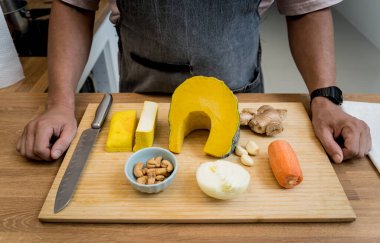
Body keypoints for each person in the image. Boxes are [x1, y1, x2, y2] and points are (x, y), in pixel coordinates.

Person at [17, 0, 371, 163]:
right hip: (142, 94)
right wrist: (60, 104)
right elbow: (75, 3)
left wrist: (325, 99)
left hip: (238, 88)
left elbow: (307, 7)